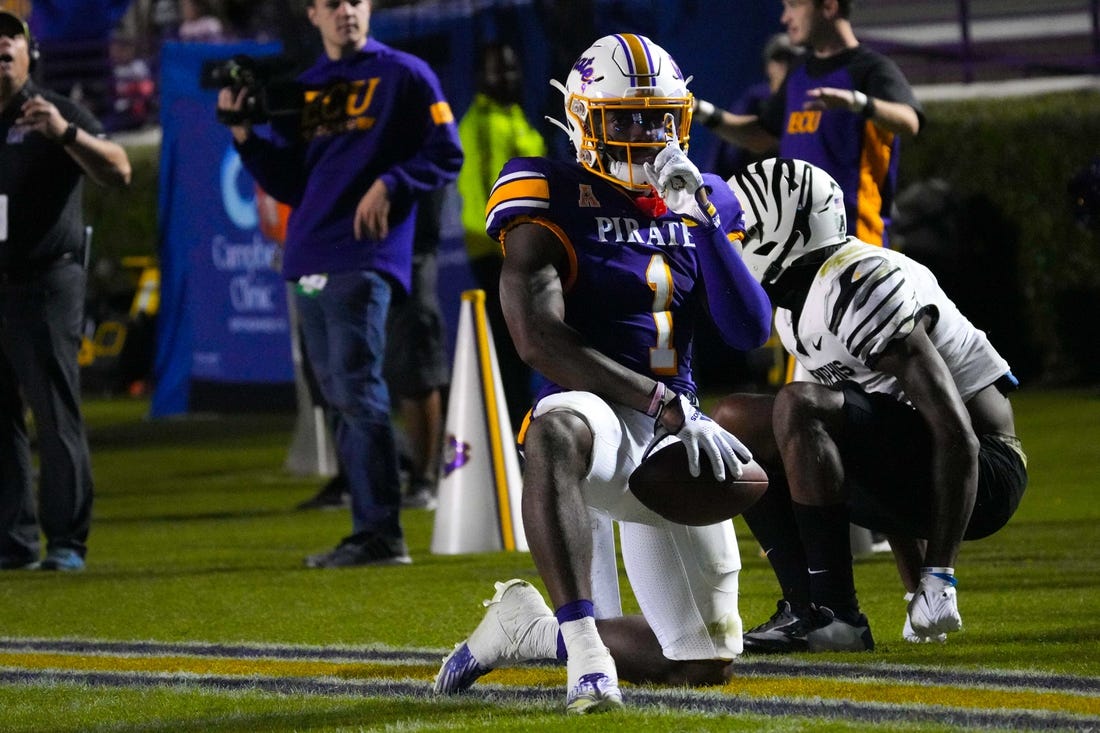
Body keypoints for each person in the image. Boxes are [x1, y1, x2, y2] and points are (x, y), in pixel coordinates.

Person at [433, 34, 772, 712]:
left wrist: (700, 219)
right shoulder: (548, 191)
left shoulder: (703, 197)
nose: (647, 136)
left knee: (701, 662)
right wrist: (656, 399)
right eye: (626, 119)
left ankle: (529, 628)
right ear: (586, 119)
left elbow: (749, 330)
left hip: (678, 435)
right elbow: (537, 339)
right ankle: (585, 651)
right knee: (555, 424)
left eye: (660, 117)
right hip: (602, 423)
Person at [709, 158, 1027, 652]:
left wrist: (938, 575)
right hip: (924, 462)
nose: (733, 239)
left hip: (987, 469)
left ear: (781, 228)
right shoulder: (799, 305)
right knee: (734, 420)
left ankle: (837, 615)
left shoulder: (858, 280)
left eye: (741, 227)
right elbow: (879, 421)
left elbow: (954, 431)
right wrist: (911, 581)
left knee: (798, 404)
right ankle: (806, 607)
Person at [217, 0, 462, 567]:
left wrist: (392, 182)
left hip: (364, 254)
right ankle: (369, 527)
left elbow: (447, 151)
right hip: (307, 257)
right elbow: (291, 182)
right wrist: (245, 138)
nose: (345, 11)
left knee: (355, 386)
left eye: (354, 0)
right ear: (312, 15)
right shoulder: (305, 88)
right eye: (332, 4)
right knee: (339, 394)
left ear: (368, 8)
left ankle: (381, 535)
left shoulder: (405, 73)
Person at [0, 10, 132, 571]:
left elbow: (120, 169)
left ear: (31, 54)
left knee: (55, 412)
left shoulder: (50, 112)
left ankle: (67, 542)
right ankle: (14, 540)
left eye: (11, 37)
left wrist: (66, 133)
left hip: (46, 280)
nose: (1, 45)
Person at [694, 0, 923, 247]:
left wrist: (856, 102)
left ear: (829, 7)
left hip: (857, 243)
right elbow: (760, 135)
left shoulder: (871, 69)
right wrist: (697, 109)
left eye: (794, 5)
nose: (785, 18)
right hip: (798, 243)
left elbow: (910, 121)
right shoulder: (798, 70)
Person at [457, 41, 546, 431]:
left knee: (533, 346)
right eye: (499, 69)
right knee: (513, 350)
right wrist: (508, 249)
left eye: (512, 68)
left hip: (528, 252)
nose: (508, 76)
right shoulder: (476, 125)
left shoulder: (518, 118)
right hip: (496, 255)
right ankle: (512, 433)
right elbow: (480, 199)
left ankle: (530, 424)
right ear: (480, 77)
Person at [383, 185, 449, 511]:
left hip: (409, 252)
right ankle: (367, 473)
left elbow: (441, 159)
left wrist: (386, 182)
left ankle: (424, 477)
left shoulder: (428, 136)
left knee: (415, 364)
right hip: (360, 251)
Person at [704, 32, 802, 181]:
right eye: (778, 59)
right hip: (753, 187)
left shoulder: (807, 100)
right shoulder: (754, 99)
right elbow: (728, 153)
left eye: (790, 59)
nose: (784, 66)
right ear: (768, 66)